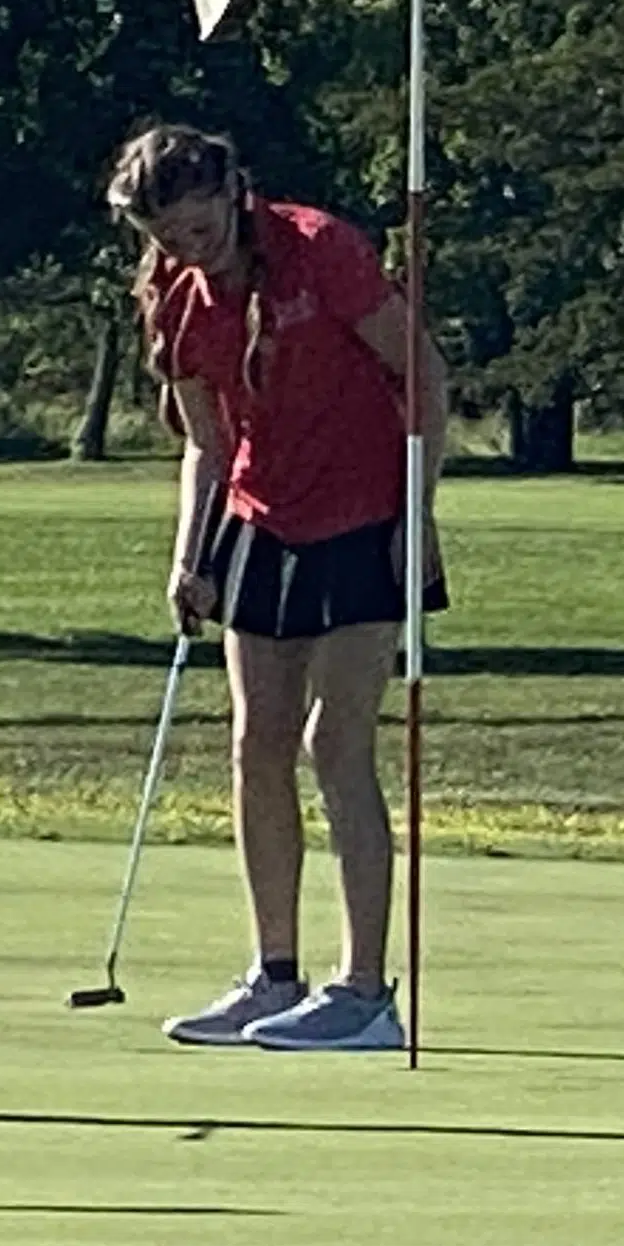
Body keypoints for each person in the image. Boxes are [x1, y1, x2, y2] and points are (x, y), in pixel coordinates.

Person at [106, 124, 448, 1053]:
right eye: (167, 235)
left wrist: (416, 519)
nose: (188, 246)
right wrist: (192, 554)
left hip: (364, 512)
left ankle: (366, 992)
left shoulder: (319, 248)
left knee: (333, 743)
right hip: (261, 516)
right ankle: (274, 973)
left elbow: (423, 375)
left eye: (198, 224)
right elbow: (205, 443)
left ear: (229, 190)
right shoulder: (174, 298)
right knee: (257, 746)